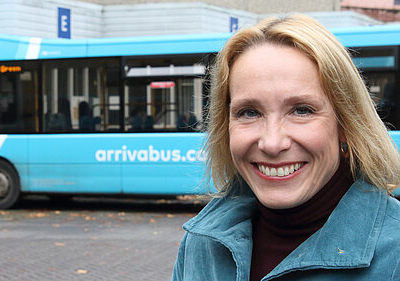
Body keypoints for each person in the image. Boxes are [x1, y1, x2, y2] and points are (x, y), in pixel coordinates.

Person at [171, 14, 400, 281]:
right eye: (249, 112)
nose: (272, 142)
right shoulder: (201, 244)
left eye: (302, 110)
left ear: (346, 123)